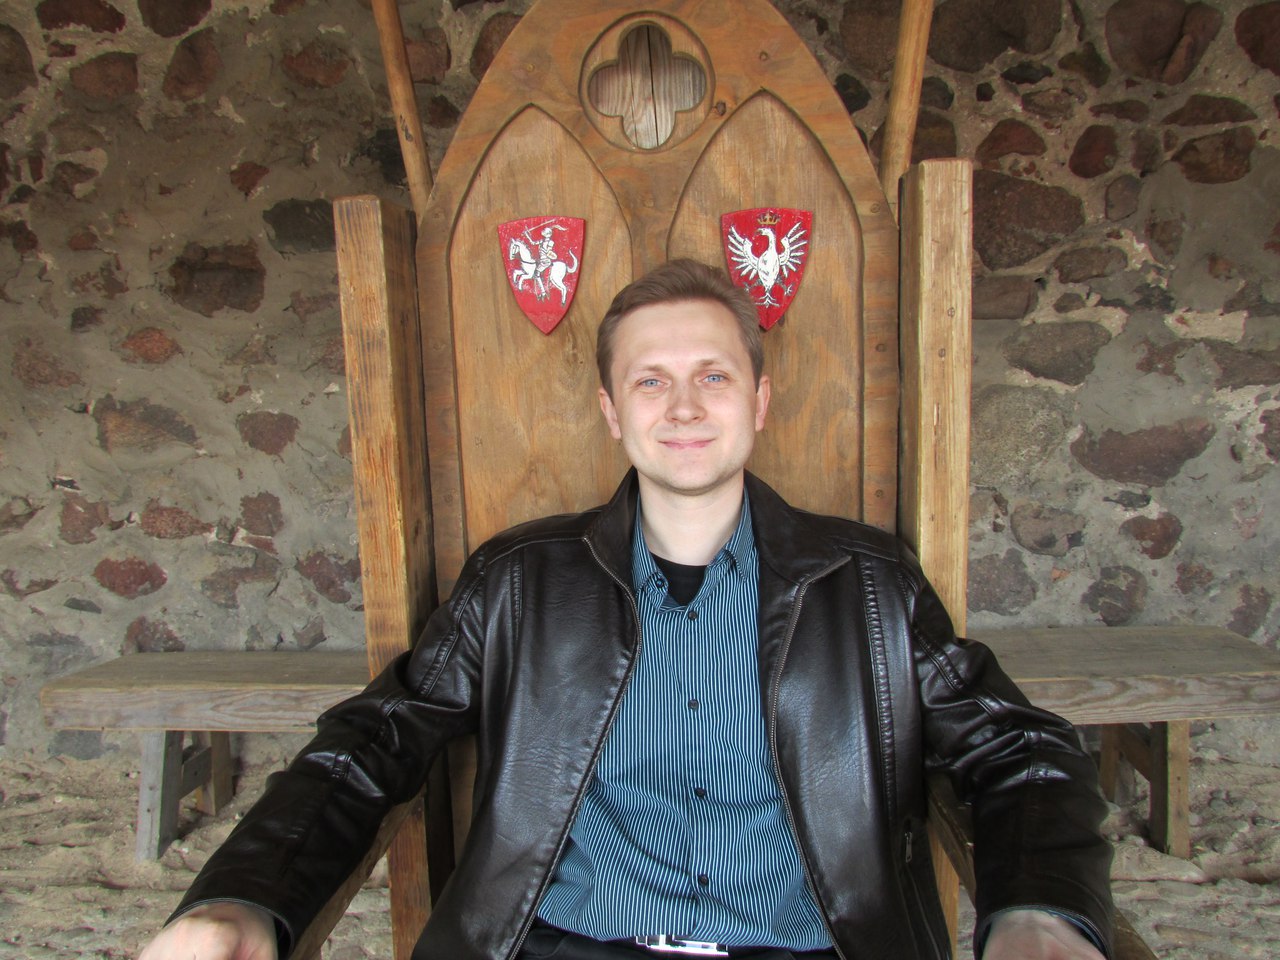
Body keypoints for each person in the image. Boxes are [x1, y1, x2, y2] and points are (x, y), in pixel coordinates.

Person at [139, 260, 1113, 960]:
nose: (682, 406)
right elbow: (371, 742)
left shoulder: (866, 584)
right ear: (612, 411)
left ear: (759, 401)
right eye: (651, 380)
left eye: (712, 376)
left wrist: (1038, 915)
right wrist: (240, 903)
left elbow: (1019, 750)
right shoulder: (517, 582)